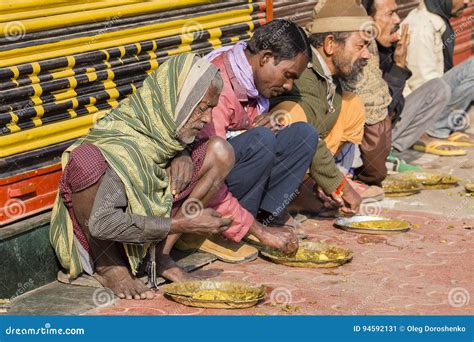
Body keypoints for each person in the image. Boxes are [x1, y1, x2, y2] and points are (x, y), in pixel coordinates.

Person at [50, 53, 236, 300]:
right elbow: (103, 223)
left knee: (220, 152)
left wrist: (182, 151)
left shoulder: (164, 129)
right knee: (86, 160)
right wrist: (182, 224)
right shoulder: (123, 142)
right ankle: (110, 268)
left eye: (212, 109)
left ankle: (161, 256)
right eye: (202, 108)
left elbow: (163, 142)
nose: (208, 118)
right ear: (176, 101)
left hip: (149, 227)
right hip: (104, 238)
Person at [174, 19, 317, 257]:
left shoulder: (253, 83)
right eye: (287, 75)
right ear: (265, 58)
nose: (289, 85)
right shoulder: (217, 82)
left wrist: (261, 125)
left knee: (302, 135)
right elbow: (208, 168)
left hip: (228, 177)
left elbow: (243, 133)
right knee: (261, 140)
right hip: (198, 191)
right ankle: (211, 230)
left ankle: (266, 218)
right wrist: (259, 233)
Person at [270, 0, 381, 213]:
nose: (367, 55)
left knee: (352, 105)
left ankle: (314, 185)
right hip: (274, 158)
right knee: (293, 116)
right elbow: (307, 135)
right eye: (360, 46)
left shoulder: (331, 75)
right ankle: (285, 198)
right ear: (330, 44)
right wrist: (341, 186)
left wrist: (330, 181)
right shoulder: (304, 74)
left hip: (311, 157)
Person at [347, 0, 463, 186]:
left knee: (438, 88)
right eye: (390, 14)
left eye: (397, 12)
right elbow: (378, 111)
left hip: (384, 127)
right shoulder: (361, 52)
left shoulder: (388, 47)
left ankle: (390, 152)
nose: (397, 20)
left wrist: (397, 62)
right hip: (364, 135)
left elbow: (395, 106)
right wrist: (398, 68)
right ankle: (378, 160)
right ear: (368, 21)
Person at [403, 0, 473, 146]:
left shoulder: (436, 21)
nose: (467, 2)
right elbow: (422, 85)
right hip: (420, 107)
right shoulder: (420, 27)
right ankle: (433, 129)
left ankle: (445, 124)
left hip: (433, 93)